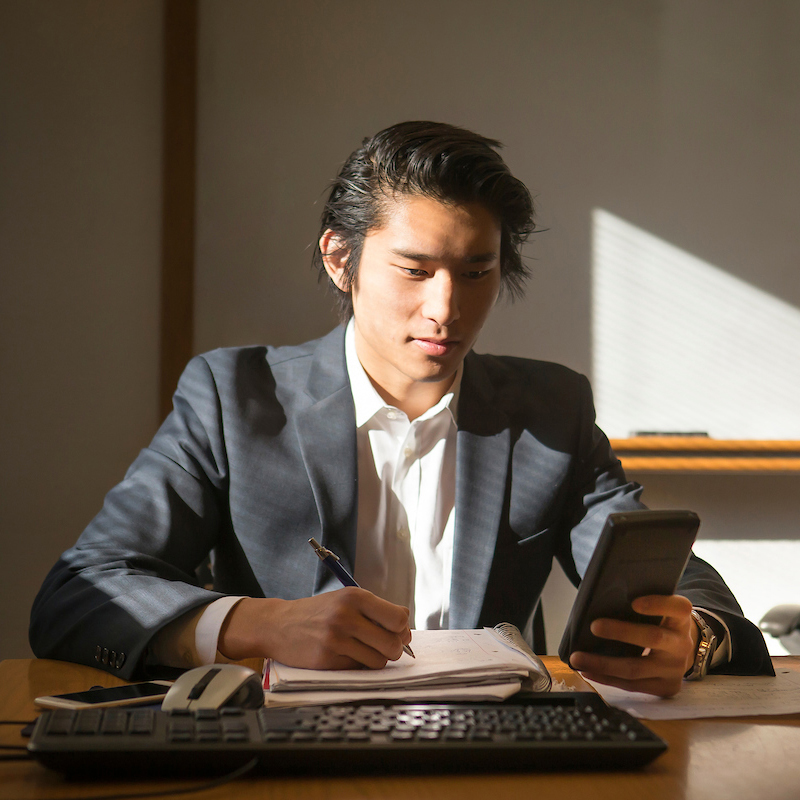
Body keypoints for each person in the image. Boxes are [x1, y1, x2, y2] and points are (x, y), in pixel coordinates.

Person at [29, 121, 772, 698]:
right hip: (282, 762)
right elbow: (77, 594)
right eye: (415, 270)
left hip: (498, 762)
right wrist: (259, 624)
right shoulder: (235, 398)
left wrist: (696, 637)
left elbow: (677, 578)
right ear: (339, 259)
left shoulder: (549, 409)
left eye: (476, 272)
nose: (445, 309)